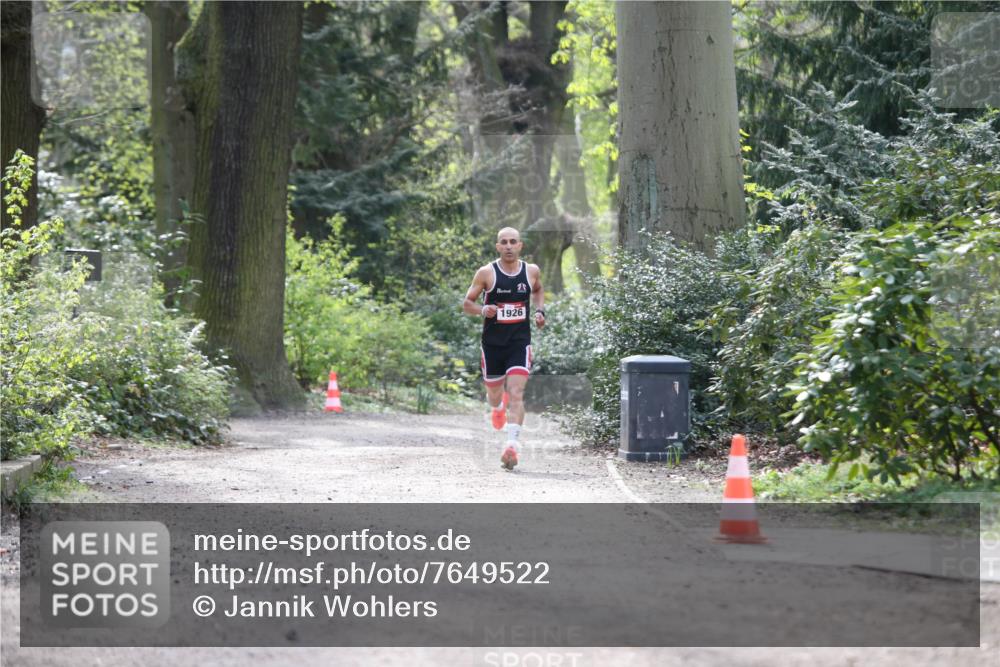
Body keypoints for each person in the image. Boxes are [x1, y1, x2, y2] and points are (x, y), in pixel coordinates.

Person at [462, 227, 545, 470]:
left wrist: (539, 311)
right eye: (504, 242)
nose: (508, 246)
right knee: (495, 395)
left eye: (513, 242)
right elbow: (467, 303)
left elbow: (538, 290)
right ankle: (497, 408)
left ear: (520, 245)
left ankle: (511, 445)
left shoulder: (531, 271)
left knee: (517, 393)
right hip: (493, 346)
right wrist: (482, 310)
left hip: (519, 343)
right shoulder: (486, 273)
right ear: (497, 246)